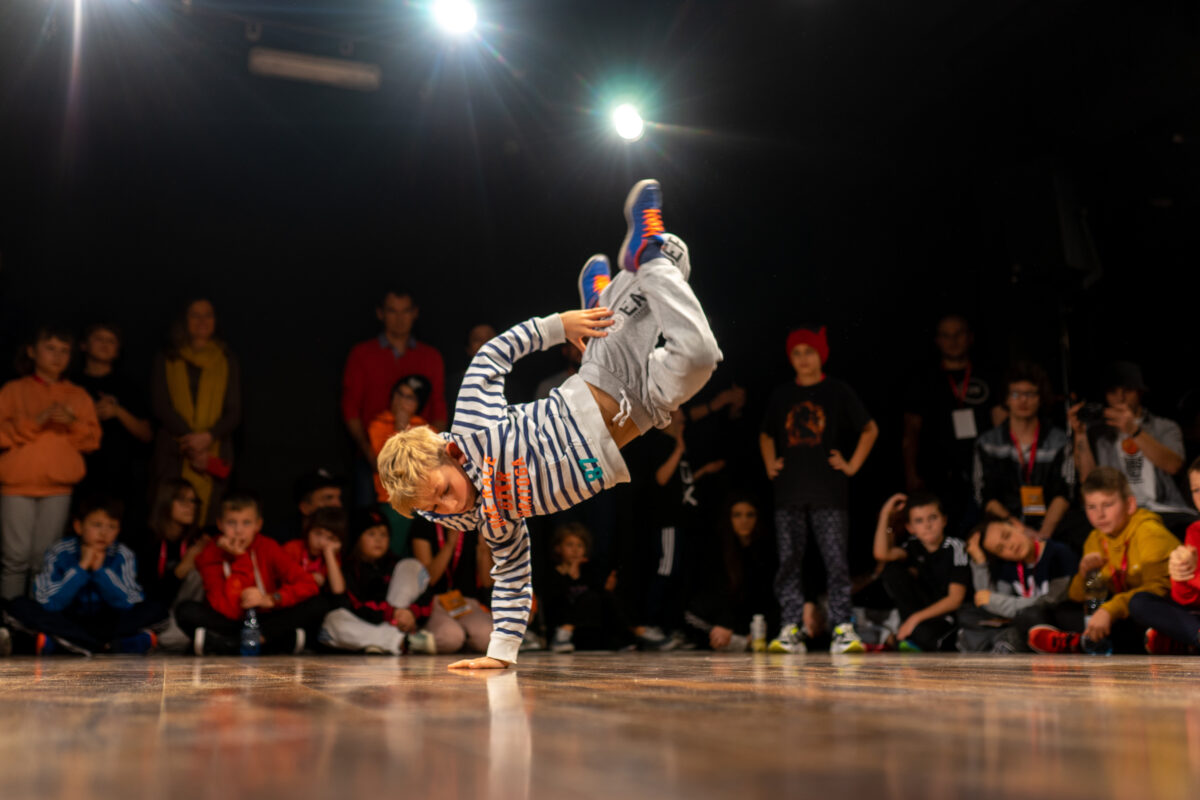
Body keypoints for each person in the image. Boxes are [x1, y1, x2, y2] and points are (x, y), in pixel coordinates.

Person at [377, 179, 723, 668]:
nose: (447, 504)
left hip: (605, 377)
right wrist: (499, 654)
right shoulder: (492, 520)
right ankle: (612, 289)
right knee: (697, 353)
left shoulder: (473, 428)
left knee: (671, 256)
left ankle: (633, 262)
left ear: (447, 455)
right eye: (435, 507)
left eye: (441, 489)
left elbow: (491, 357)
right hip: (642, 415)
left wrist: (559, 325)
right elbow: (514, 578)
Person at [760, 325, 878, 654]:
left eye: (808, 352)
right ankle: (790, 626)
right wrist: (771, 463)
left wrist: (852, 464)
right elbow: (766, 433)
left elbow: (869, 428)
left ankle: (842, 625)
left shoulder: (836, 391)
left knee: (836, 561)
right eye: (796, 353)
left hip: (829, 490)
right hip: (789, 491)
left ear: (820, 355)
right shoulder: (782, 394)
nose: (803, 359)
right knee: (789, 561)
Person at [1023, 467, 1178, 654]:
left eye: (1108, 505)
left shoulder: (1149, 532)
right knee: (1045, 612)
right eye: (1091, 507)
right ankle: (1083, 641)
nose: (1100, 515)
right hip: (1119, 613)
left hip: (1158, 611)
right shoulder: (1095, 538)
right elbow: (1078, 597)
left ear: (1129, 505)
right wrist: (1084, 574)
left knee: (1140, 609)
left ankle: (1081, 643)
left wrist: (1110, 610)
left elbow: (1159, 590)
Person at [0, 325, 101, 600]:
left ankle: (34, 623)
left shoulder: (77, 396)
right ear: (32, 351)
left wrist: (73, 424)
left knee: (44, 559)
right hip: (18, 485)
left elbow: (92, 441)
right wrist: (36, 421)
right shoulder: (13, 391)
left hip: (57, 487)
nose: (57, 356)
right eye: (50, 348)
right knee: (15, 558)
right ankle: (9, 622)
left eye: (64, 351)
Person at [4, 495, 165, 655]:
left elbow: (129, 602)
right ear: (79, 526)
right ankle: (107, 646)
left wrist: (100, 572)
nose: (104, 533)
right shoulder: (60, 551)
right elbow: (47, 602)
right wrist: (81, 569)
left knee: (155, 609)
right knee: (17, 606)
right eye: (97, 525)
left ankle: (71, 644)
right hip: (68, 619)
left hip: (109, 621)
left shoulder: (122, 554)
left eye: (112, 527)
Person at [174, 491, 325, 655]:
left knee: (317, 604)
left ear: (258, 525)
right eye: (231, 523)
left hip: (266, 618)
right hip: (231, 620)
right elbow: (228, 609)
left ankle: (229, 645)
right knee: (186, 611)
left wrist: (271, 599)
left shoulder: (268, 546)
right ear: (220, 524)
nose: (239, 531)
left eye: (246, 523)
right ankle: (271, 644)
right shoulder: (210, 553)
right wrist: (240, 557)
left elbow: (308, 584)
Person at [342, 288, 447, 506]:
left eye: (405, 311)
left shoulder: (430, 357)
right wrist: (369, 453)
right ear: (380, 314)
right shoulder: (362, 354)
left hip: (418, 462)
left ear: (415, 313)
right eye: (392, 311)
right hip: (372, 458)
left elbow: (439, 411)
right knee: (371, 526)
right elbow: (350, 408)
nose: (399, 319)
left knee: (417, 526)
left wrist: (427, 456)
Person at [902, 313, 1003, 535]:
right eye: (946, 336)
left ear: (970, 338)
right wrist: (911, 472)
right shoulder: (925, 379)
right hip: (939, 469)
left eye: (958, 334)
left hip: (982, 466)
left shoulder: (987, 375)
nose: (953, 341)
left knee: (984, 526)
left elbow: (1001, 425)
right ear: (938, 341)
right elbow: (911, 431)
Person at [1070, 361, 1195, 534]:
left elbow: (1174, 465)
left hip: (1163, 509)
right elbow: (1089, 480)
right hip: (1116, 512)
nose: (1120, 398)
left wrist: (1134, 431)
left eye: (1127, 391)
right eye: (1113, 392)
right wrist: (1080, 434)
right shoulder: (1100, 434)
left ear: (1140, 392)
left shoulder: (1164, 427)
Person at [150, 298, 241, 525]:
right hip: (174, 450)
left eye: (208, 315)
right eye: (195, 315)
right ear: (183, 320)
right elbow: (161, 405)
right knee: (169, 518)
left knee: (208, 519)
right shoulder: (168, 357)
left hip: (213, 450)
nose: (202, 321)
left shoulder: (226, 359)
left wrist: (207, 438)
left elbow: (234, 410)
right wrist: (191, 441)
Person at [972, 361, 1074, 543]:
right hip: (1007, 529)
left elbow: (1065, 491)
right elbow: (985, 495)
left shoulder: (1059, 441)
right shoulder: (988, 443)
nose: (1023, 400)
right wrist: (1020, 530)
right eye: (1016, 394)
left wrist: (1043, 534)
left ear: (1041, 398)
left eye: (1030, 394)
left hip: (1052, 527)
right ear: (1006, 399)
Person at [320, 508, 434, 655]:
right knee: (332, 622)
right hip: (365, 622)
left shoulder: (395, 564)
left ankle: (381, 642)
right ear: (358, 538)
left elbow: (427, 596)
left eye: (383, 534)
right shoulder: (349, 567)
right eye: (371, 534)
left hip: (397, 622)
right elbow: (349, 604)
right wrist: (389, 613)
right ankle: (402, 642)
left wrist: (411, 613)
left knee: (411, 565)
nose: (378, 540)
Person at [961, 515, 1078, 652]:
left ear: (1017, 526)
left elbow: (1052, 601)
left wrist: (998, 602)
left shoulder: (1059, 553)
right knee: (967, 612)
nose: (1009, 546)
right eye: (1000, 549)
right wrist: (979, 561)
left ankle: (1006, 644)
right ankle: (1004, 644)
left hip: (1057, 621)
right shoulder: (1011, 567)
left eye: (1007, 536)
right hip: (1024, 621)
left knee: (1031, 614)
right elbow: (985, 600)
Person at [72, 323, 153, 522]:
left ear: (118, 351)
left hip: (118, 476)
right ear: (83, 345)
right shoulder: (69, 384)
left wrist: (118, 411)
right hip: (77, 474)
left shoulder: (128, 386)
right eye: (99, 339)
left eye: (111, 341)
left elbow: (146, 434)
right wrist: (88, 416)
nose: (105, 345)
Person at [871, 492, 970, 651]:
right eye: (919, 521)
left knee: (929, 636)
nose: (927, 525)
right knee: (892, 569)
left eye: (933, 518)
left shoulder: (956, 548)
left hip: (948, 617)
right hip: (920, 615)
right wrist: (885, 515)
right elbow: (882, 554)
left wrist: (914, 619)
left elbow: (955, 599)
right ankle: (910, 635)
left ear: (944, 520)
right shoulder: (913, 546)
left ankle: (912, 636)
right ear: (910, 527)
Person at [682, 495, 778, 652]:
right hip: (723, 616)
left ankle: (742, 641)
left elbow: (766, 595)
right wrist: (726, 623)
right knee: (692, 616)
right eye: (737, 515)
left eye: (750, 515)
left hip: (752, 619)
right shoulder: (718, 549)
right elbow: (714, 591)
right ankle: (734, 642)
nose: (744, 520)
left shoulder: (766, 552)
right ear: (729, 518)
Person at [1129, 457, 1200, 653]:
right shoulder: (1195, 531)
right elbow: (1185, 600)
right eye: (1197, 490)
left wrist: (1194, 576)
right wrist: (1180, 576)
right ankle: (1193, 638)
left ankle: (1183, 642)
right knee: (1140, 602)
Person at [409, 516, 495, 655]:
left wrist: (484, 549)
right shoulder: (424, 521)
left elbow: (487, 582)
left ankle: (464, 640)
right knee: (450, 637)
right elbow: (428, 580)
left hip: (466, 601)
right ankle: (415, 638)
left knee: (488, 638)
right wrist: (450, 544)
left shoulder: (473, 522)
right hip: (434, 601)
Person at [542, 522, 631, 652]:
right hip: (559, 627)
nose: (575, 550)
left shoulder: (588, 571)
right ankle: (562, 636)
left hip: (586, 631)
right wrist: (570, 575)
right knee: (587, 597)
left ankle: (630, 634)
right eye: (569, 545)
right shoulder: (552, 573)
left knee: (600, 596)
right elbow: (555, 602)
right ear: (558, 548)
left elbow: (599, 599)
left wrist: (607, 588)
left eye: (580, 545)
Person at [368, 375, 431, 556]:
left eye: (409, 398)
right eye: (399, 394)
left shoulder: (426, 430)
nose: (401, 401)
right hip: (391, 501)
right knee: (394, 554)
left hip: (421, 504)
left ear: (418, 404)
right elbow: (388, 466)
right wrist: (400, 429)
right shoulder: (378, 424)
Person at [282, 506, 348, 597]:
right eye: (318, 533)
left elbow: (338, 590)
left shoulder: (331, 555)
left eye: (330, 538)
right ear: (308, 530)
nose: (321, 542)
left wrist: (329, 554)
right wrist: (310, 578)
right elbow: (282, 580)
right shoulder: (293, 548)